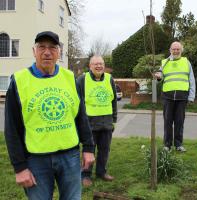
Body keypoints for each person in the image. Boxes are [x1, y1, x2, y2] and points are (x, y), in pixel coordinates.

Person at [4, 31, 95, 200]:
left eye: (52, 47)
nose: (47, 52)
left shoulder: (70, 78)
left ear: (59, 52)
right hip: (36, 160)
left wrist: (89, 148)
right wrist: (19, 167)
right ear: (34, 51)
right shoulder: (19, 81)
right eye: (42, 47)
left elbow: (81, 116)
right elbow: (11, 129)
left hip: (70, 157)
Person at [77, 55, 117, 186]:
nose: (99, 66)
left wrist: (114, 120)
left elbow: (114, 101)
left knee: (105, 150)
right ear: (90, 66)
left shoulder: (110, 79)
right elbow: (77, 102)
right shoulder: (82, 79)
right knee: (89, 151)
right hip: (89, 124)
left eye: (101, 64)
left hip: (106, 123)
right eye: (96, 64)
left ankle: (101, 172)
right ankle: (86, 175)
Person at [154, 41, 196, 152]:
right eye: (174, 49)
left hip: (182, 97)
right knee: (167, 122)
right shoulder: (165, 62)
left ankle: (178, 145)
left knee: (179, 122)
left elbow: (191, 80)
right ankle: (167, 145)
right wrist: (158, 77)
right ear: (170, 50)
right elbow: (160, 77)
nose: (176, 51)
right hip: (168, 97)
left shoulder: (186, 62)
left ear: (181, 50)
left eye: (178, 49)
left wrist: (191, 96)